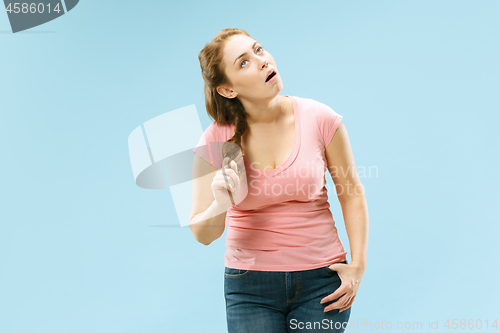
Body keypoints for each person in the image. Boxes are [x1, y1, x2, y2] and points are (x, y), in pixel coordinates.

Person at [189, 28, 369, 333]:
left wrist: (358, 267)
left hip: (322, 281)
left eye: (258, 50)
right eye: (243, 62)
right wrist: (220, 204)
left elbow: (351, 194)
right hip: (249, 288)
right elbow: (203, 233)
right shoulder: (216, 139)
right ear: (227, 90)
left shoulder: (320, 119)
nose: (262, 61)